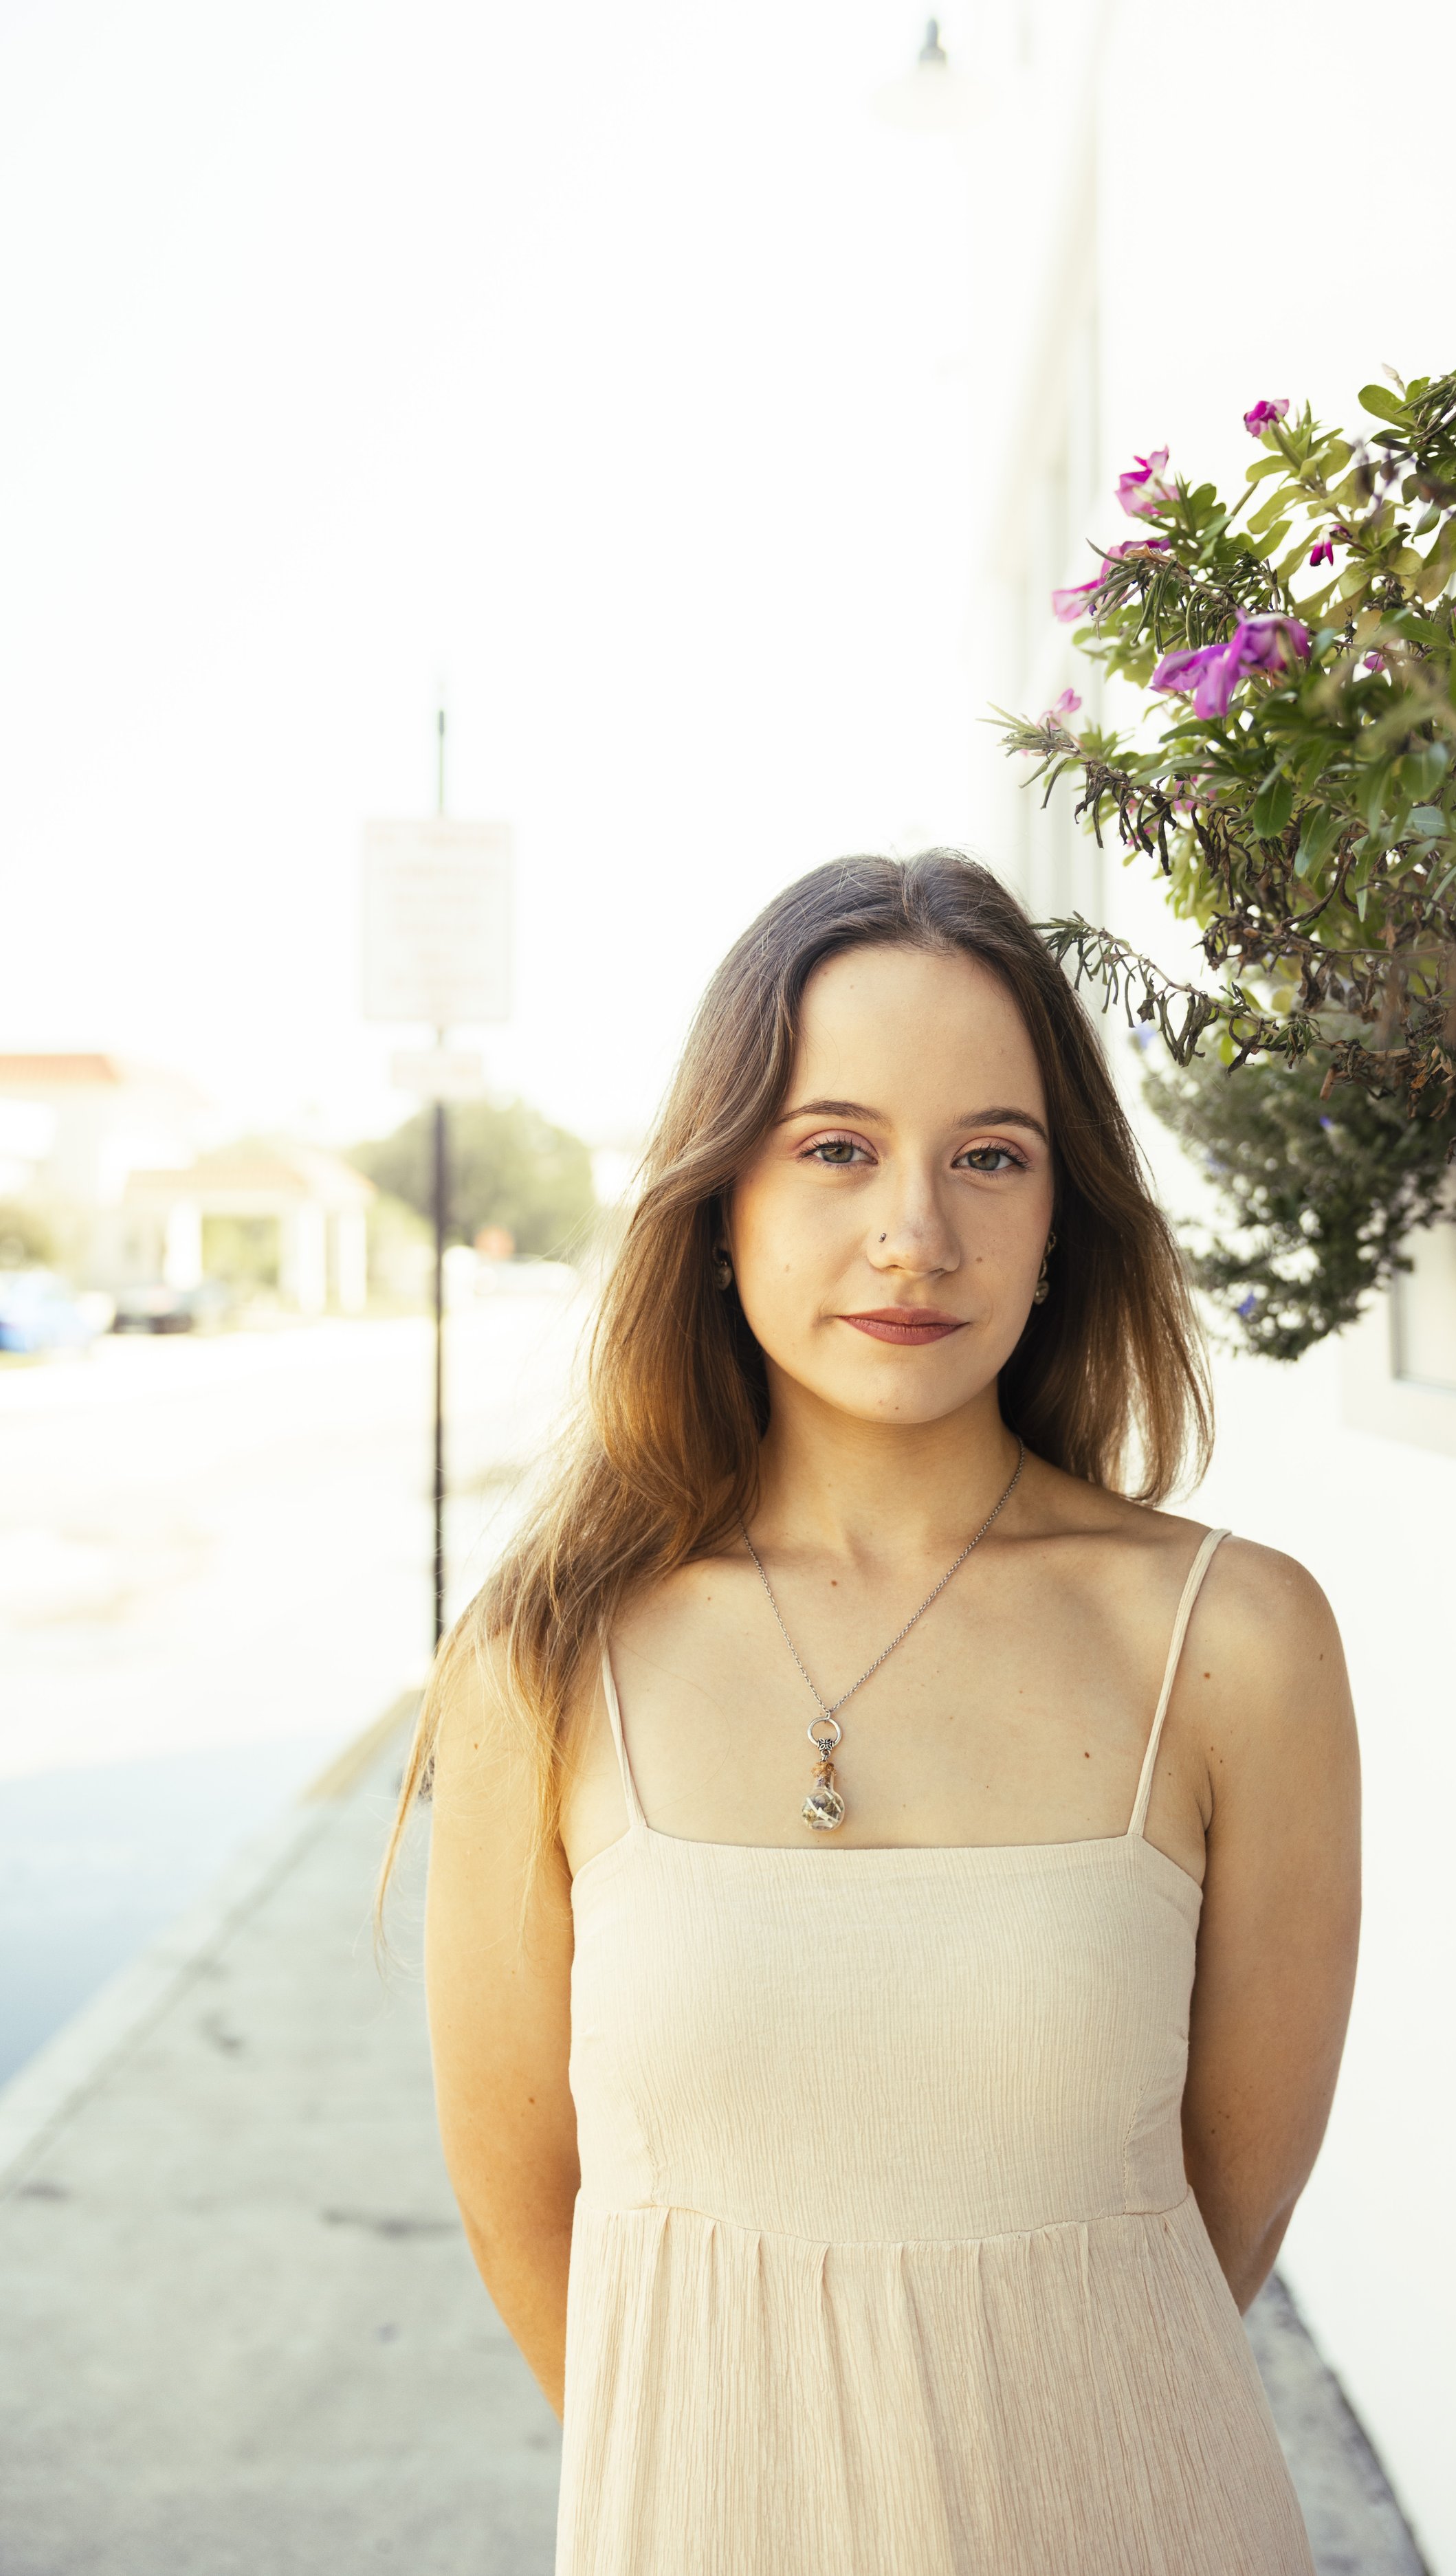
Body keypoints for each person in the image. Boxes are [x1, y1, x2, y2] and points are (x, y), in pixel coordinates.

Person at [388, 850, 1360, 2575]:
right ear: (720, 1201)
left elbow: (1227, 2211)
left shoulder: (1237, 1641)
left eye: (991, 1155)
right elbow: (523, 2205)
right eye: (835, 1146)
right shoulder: (541, 1656)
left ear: (1064, 1217)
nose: (916, 1230)